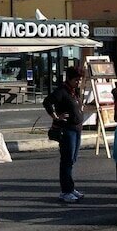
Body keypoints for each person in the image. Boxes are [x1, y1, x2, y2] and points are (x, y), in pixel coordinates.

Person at [43, 66, 85, 203]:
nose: (78, 82)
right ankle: (65, 191)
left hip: (77, 129)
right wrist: (55, 116)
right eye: (76, 80)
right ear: (69, 79)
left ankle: (71, 188)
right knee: (67, 160)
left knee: (72, 160)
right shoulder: (62, 91)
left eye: (80, 80)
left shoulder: (74, 92)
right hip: (67, 130)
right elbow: (47, 102)